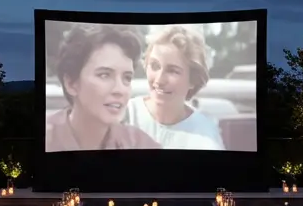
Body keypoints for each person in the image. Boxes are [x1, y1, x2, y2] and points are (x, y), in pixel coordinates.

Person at [45, 22, 161, 151]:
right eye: (104, 75)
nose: (120, 90)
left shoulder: (143, 146)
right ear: (71, 83)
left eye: (127, 78)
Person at [124, 25, 224, 149]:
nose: (159, 80)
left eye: (172, 71)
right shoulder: (126, 114)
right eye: (154, 66)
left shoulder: (205, 132)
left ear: (193, 79)